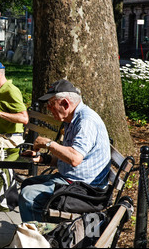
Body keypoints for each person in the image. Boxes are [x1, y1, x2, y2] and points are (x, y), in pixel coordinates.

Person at [18, 79, 111, 222]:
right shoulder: (71, 119)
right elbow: (69, 157)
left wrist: (48, 143)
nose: (48, 109)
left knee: (28, 195)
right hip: (74, 180)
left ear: (66, 104)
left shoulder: (86, 121)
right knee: (27, 184)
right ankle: (38, 232)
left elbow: (74, 159)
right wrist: (44, 158)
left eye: (51, 104)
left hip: (86, 190)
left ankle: (39, 239)